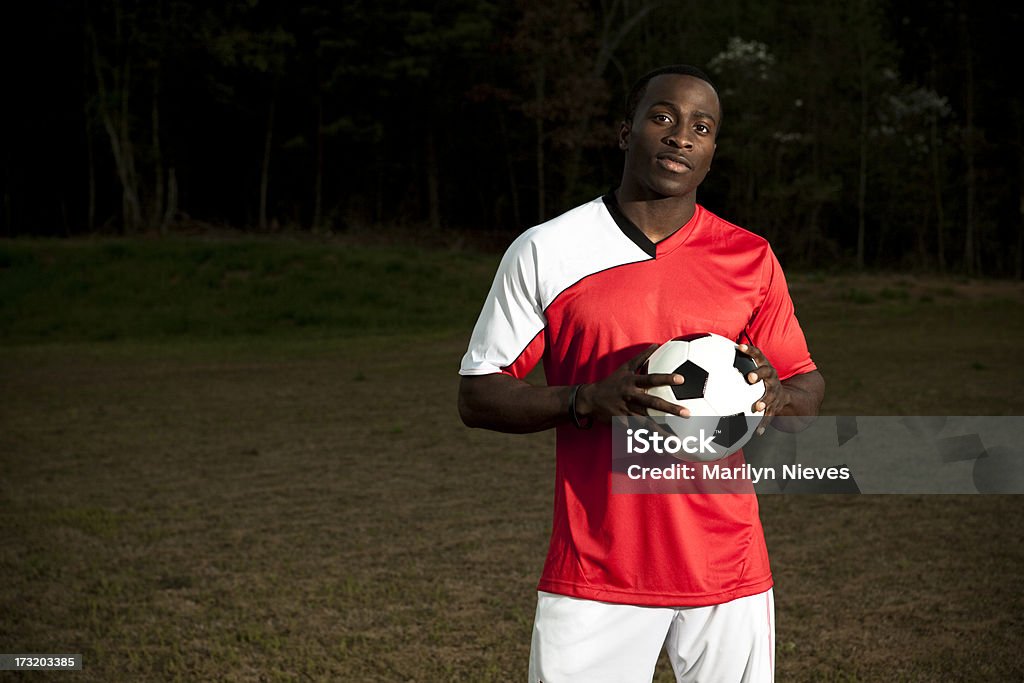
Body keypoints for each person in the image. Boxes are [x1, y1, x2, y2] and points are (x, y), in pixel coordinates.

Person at [458, 64, 825, 683]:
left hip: (727, 567)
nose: (682, 136)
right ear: (625, 132)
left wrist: (779, 395)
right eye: (664, 117)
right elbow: (477, 395)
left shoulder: (750, 257)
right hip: (597, 571)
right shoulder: (548, 249)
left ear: (712, 152)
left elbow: (806, 385)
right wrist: (585, 400)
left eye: (701, 127)